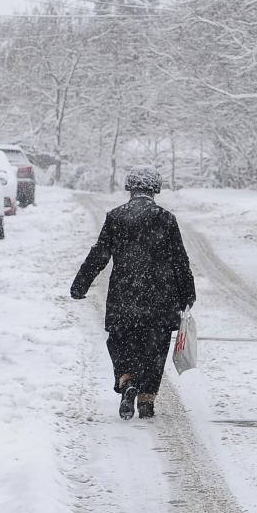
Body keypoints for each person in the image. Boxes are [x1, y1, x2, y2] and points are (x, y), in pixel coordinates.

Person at [71, 165, 197, 420]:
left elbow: (100, 254)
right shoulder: (166, 219)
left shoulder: (116, 217)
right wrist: (187, 293)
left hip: (124, 295)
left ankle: (127, 380)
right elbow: (180, 260)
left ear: (130, 188)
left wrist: (80, 284)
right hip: (160, 297)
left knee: (120, 340)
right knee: (156, 346)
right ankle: (147, 398)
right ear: (155, 190)